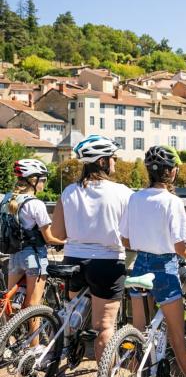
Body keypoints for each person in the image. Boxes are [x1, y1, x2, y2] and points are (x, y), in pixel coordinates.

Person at [120, 145, 186, 377]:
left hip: (140, 266)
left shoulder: (135, 198)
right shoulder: (172, 201)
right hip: (164, 270)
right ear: (171, 173)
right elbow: (180, 247)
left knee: (138, 332)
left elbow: (125, 238)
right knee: (176, 336)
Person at [51, 135, 131, 363]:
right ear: (103, 162)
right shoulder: (123, 192)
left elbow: (58, 235)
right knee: (104, 326)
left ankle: (69, 345)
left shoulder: (68, 192)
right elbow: (128, 238)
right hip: (107, 263)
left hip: (73, 259)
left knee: (74, 313)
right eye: (113, 158)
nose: (115, 162)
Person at [2, 159, 64, 308]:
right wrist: (65, 242)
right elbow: (48, 237)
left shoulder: (6, 198)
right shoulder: (36, 204)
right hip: (34, 256)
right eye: (43, 179)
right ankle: (34, 332)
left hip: (14, 254)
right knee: (33, 306)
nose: (44, 183)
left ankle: (9, 330)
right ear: (33, 180)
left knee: (8, 301)